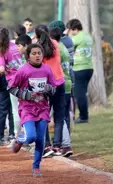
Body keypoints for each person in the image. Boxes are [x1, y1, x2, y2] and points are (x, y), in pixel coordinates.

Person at [10, 43, 56, 177]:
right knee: (31, 137)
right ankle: (20, 140)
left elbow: (53, 88)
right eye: (34, 53)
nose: (37, 56)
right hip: (27, 109)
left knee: (40, 140)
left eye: (39, 53)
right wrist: (26, 95)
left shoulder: (47, 70)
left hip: (42, 108)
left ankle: (36, 166)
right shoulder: (23, 70)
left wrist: (48, 89)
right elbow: (11, 88)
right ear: (28, 56)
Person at [34, 24, 65, 157]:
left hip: (44, 85)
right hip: (59, 82)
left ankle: (46, 146)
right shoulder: (55, 44)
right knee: (59, 116)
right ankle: (57, 146)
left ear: (36, 34)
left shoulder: (36, 47)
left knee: (43, 116)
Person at [0, 27, 25, 148]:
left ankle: (17, 137)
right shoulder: (15, 45)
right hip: (25, 78)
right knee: (26, 108)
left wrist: (0, 70)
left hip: (13, 82)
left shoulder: (1, 50)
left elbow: (1, 69)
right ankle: (28, 134)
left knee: (15, 110)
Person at [49, 27, 74, 157]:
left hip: (60, 83)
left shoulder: (54, 49)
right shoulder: (63, 47)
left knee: (60, 116)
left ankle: (63, 144)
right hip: (66, 83)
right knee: (62, 115)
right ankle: (64, 144)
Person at [65, 19, 93, 124]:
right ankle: (84, 115)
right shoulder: (87, 36)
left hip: (79, 67)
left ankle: (83, 117)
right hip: (89, 67)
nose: (70, 33)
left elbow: (66, 45)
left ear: (75, 29)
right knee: (83, 93)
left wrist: (65, 35)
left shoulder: (77, 38)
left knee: (79, 94)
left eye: (70, 30)